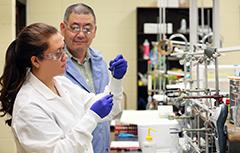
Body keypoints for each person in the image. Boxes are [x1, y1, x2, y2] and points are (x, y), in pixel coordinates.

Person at [0, 23, 128, 153]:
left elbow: (108, 109)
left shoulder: (60, 83)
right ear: (36, 61)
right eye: (57, 53)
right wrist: (92, 117)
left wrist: (116, 80)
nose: (65, 57)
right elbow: (59, 150)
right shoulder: (28, 105)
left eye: (63, 49)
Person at [60, 3, 127, 153]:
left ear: (95, 31)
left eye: (87, 28)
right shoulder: (55, 65)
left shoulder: (99, 62)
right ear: (63, 28)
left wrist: (117, 80)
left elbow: (111, 107)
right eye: (75, 27)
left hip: (101, 146)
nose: (82, 34)